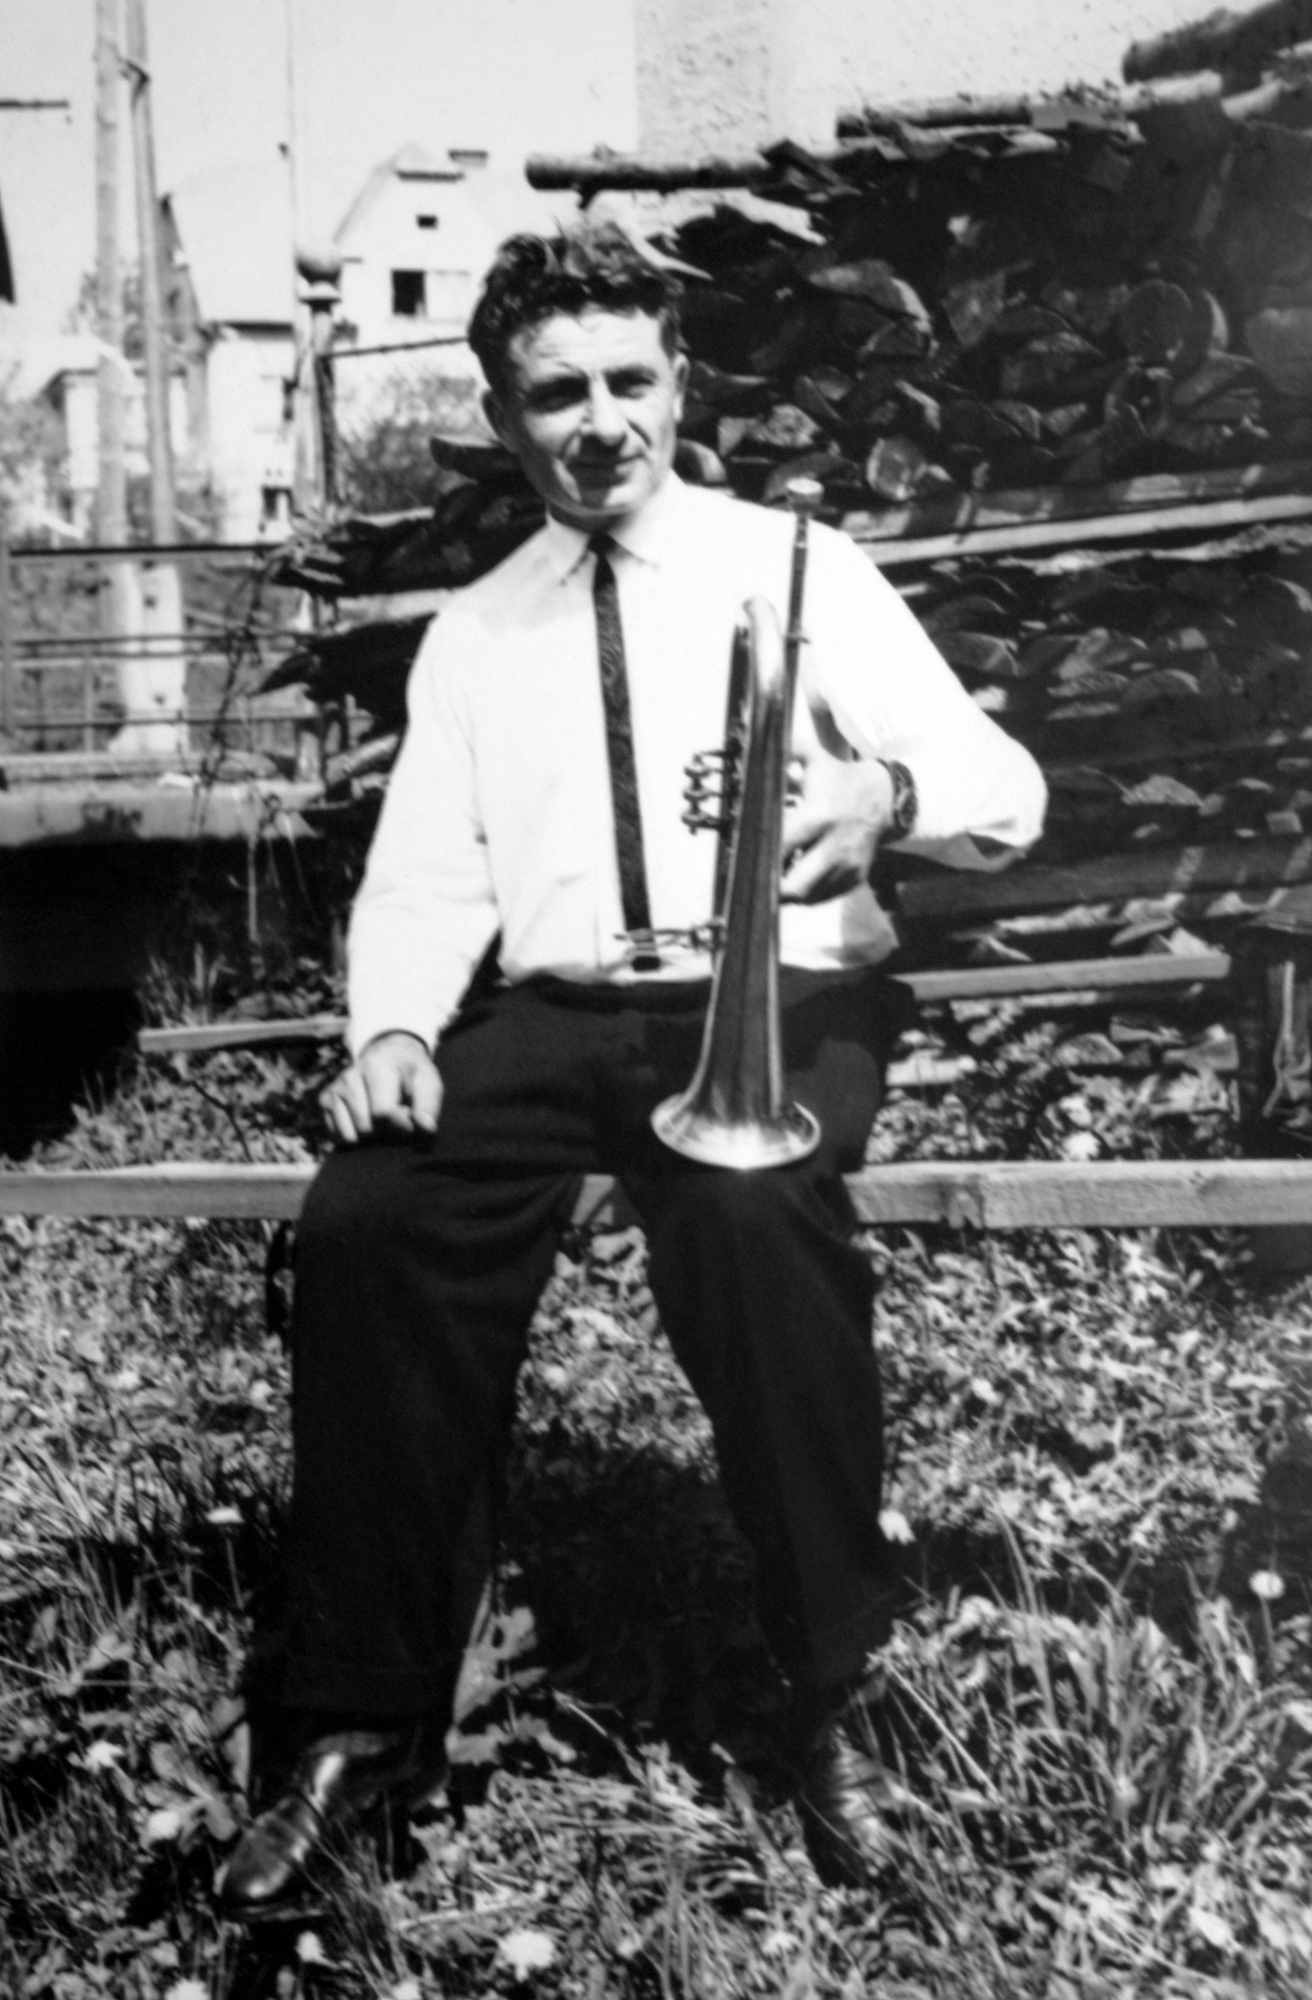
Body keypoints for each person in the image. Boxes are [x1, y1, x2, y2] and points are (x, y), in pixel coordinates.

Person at [219, 222, 1045, 1918]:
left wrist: (887, 796)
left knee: (751, 1221)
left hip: (785, 998)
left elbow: (1006, 790)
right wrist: (392, 1029)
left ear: (681, 387)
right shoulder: (476, 631)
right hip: (560, 1015)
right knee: (372, 1223)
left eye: (629, 381)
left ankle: (833, 1687)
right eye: (557, 394)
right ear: (503, 418)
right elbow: (427, 874)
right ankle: (362, 1724)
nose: (600, 422)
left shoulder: (802, 568)